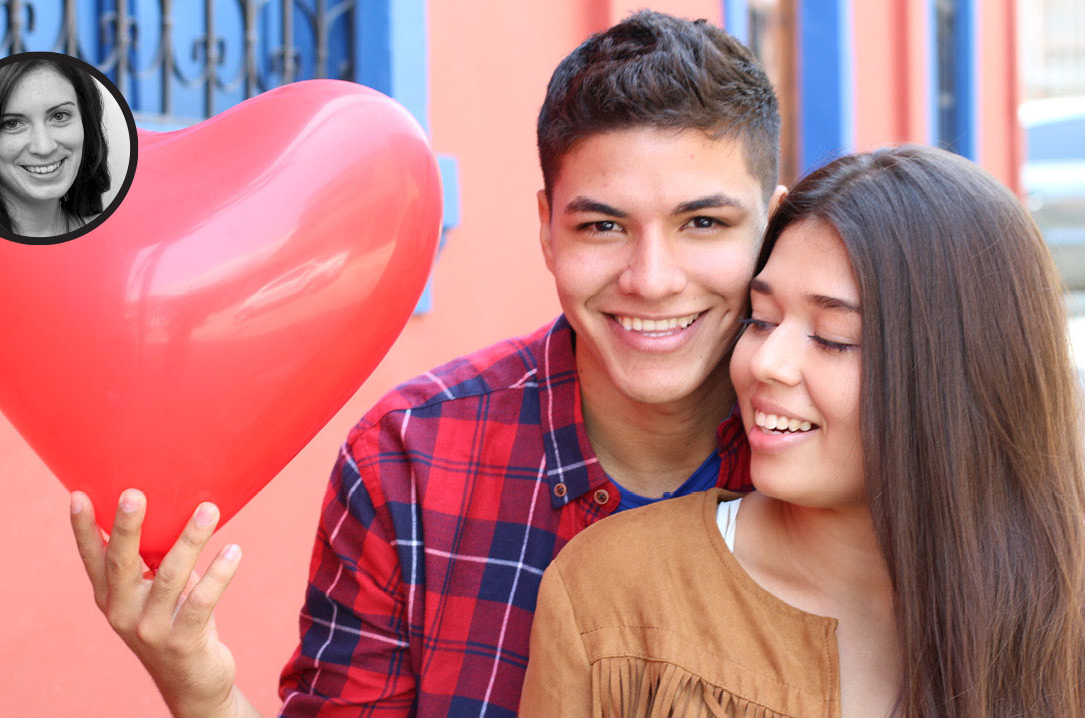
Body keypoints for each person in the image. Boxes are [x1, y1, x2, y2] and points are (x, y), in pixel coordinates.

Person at [68, 11, 785, 716]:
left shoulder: (848, 455)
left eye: (703, 224)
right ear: (546, 229)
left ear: (772, 227)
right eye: (603, 225)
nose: (651, 279)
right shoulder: (408, 462)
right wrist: (200, 685)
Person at [519, 145, 1085, 717]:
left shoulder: (1063, 603)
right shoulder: (617, 595)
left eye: (834, 337)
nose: (765, 362)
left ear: (966, 372)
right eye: (760, 321)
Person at [0, 55, 110, 238]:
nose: (44, 147)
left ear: (85, 124)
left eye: (59, 116)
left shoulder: (117, 242)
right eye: (12, 124)